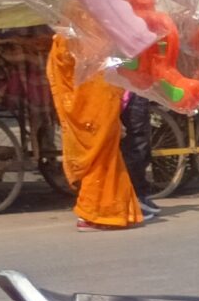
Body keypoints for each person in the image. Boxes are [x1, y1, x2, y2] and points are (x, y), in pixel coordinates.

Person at [45, 35, 142, 231]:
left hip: (93, 103)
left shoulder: (68, 37)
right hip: (94, 104)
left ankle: (116, 212)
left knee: (107, 157)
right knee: (102, 158)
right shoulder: (79, 37)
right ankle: (94, 214)